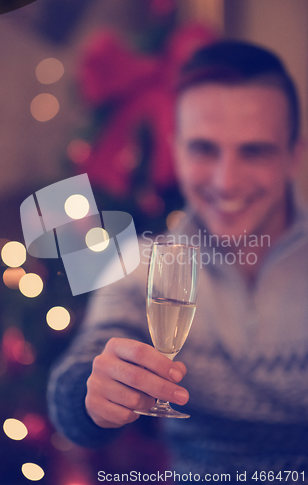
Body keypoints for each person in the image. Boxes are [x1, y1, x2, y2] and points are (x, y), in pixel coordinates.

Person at [48, 40, 308, 482]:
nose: (226, 182)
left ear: (295, 155)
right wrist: (92, 393)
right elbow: (81, 370)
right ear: (177, 149)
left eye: (254, 151)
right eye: (204, 149)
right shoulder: (142, 264)